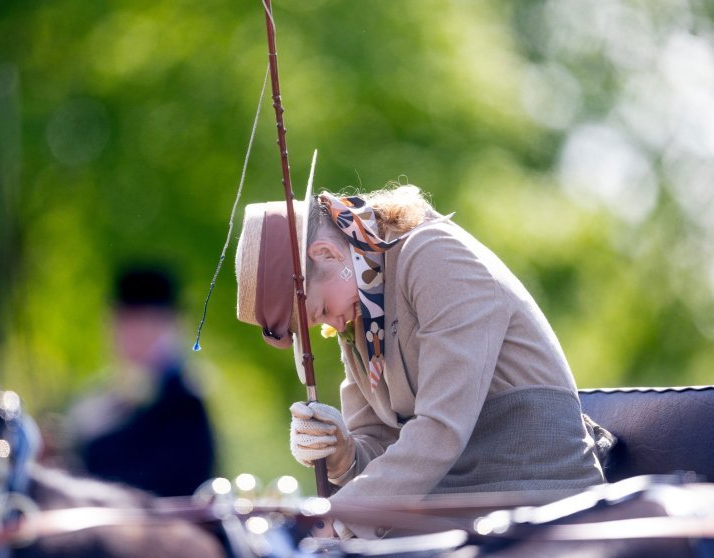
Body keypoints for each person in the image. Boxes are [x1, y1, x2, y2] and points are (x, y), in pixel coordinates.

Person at [234, 181, 607, 538]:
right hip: (447, 507)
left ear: (326, 254)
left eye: (321, 310)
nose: (333, 324)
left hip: (532, 502)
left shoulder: (434, 255)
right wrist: (342, 452)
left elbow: (441, 428)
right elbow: (381, 443)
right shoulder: (362, 304)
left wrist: (337, 517)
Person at [66, 265, 216, 497]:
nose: (136, 335)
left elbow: (177, 478)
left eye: (149, 323)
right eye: (127, 322)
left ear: (171, 326)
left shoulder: (185, 400)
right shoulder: (97, 399)